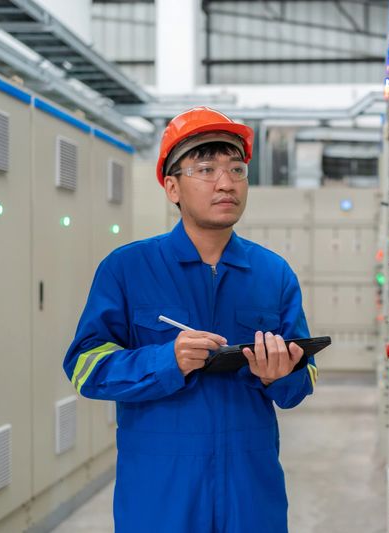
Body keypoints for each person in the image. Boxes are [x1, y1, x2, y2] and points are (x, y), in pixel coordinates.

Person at [63, 106, 317, 532]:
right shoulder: (127, 269)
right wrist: (167, 361)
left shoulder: (272, 274)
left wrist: (279, 375)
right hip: (160, 499)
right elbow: (84, 367)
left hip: (251, 496)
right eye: (205, 168)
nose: (225, 183)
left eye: (237, 169)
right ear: (172, 187)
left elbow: (303, 381)